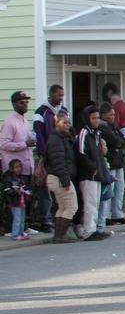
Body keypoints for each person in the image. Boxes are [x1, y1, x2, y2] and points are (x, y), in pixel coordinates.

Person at [1, 91, 39, 234]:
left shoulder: (24, 120)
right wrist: (24, 143)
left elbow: (29, 140)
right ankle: (13, 229)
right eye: (21, 102)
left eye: (26, 102)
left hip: (27, 167)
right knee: (15, 200)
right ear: (14, 104)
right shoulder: (9, 123)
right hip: (14, 170)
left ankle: (24, 226)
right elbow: (4, 144)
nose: (25, 104)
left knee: (26, 198)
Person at [32, 85, 69, 231]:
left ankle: (60, 218)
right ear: (51, 94)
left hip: (61, 154)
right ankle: (46, 220)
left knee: (61, 187)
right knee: (45, 189)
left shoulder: (64, 111)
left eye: (62, 95)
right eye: (59, 95)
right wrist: (43, 154)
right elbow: (39, 134)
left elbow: (68, 130)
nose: (61, 98)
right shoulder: (41, 112)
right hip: (47, 155)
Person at [74, 105, 110, 241]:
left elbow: (100, 154)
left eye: (98, 118)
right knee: (90, 203)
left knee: (95, 202)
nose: (96, 121)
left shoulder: (96, 133)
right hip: (88, 175)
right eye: (93, 118)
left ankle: (94, 228)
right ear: (87, 119)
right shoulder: (84, 133)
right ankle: (89, 230)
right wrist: (93, 167)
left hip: (97, 174)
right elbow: (81, 154)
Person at [43, 114, 78, 244]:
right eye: (64, 122)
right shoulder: (56, 140)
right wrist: (65, 180)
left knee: (63, 207)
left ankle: (58, 236)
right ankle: (60, 235)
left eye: (68, 123)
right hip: (59, 178)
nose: (67, 125)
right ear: (56, 123)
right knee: (71, 206)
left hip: (56, 177)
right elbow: (58, 162)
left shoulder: (60, 138)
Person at [97, 102, 125, 228]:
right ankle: (106, 216)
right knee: (109, 190)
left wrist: (118, 142)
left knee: (120, 188)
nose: (113, 117)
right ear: (103, 115)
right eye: (111, 114)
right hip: (110, 161)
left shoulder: (114, 126)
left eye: (114, 114)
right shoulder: (102, 127)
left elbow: (123, 141)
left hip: (118, 161)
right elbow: (114, 140)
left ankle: (117, 214)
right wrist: (118, 142)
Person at [2, 159, 32, 240]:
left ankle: (21, 233)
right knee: (17, 219)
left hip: (22, 202)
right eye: (16, 167)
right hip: (14, 202)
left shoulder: (20, 178)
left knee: (22, 219)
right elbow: (7, 190)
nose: (19, 168)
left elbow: (24, 187)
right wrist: (16, 192)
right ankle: (15, 235)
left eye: (20, 166)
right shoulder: (8, 179)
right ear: (11, 169)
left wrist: (29, 192)